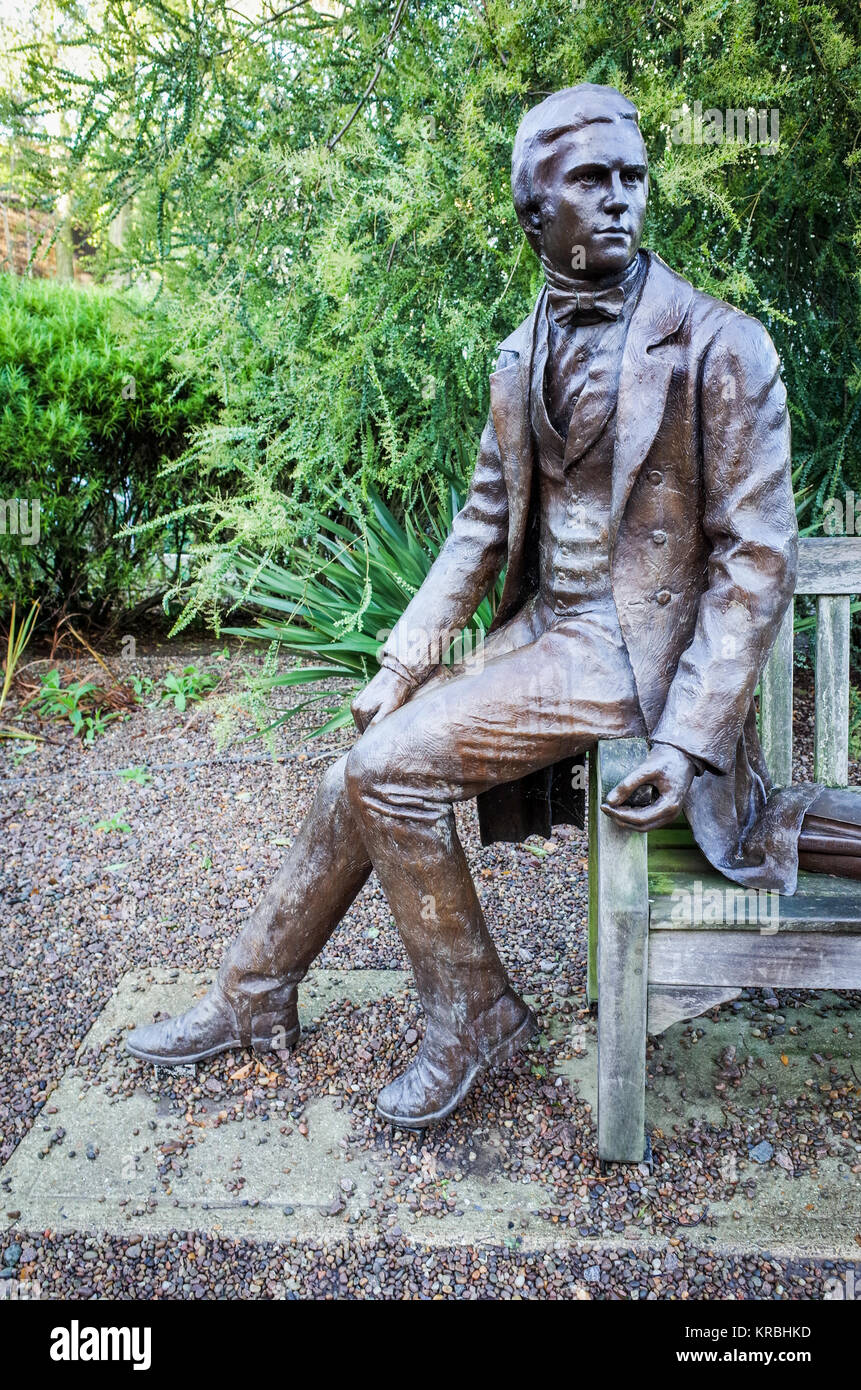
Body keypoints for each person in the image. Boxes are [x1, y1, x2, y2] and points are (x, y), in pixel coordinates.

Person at [127, 84, 861, 1128]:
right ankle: (253, 993)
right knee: (359, 767)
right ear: (534, 212)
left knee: (391, 772)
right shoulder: (516, 359)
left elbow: (756, 561)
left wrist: (694, 738)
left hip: (632, 657)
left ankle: (473, 1011)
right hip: (545, 636)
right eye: (592, 180)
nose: (621, 201)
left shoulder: (719, 344)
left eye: (633, 179)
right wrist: (401, 665)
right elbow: (476, 531)